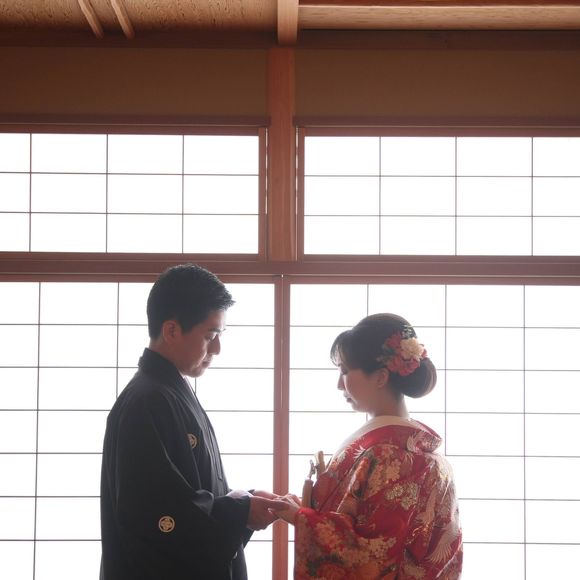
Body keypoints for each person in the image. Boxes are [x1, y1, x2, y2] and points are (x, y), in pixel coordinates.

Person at [100, 263, 285, 580]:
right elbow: (159, 512)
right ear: (171, 330)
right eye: (210, 335)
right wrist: (240, 512)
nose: (217, 349)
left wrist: (244, 500)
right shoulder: (146, 400)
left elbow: (193, 491)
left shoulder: (168, 391)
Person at [275, 313, 463, 579]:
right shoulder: (411, 449)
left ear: (380, 377)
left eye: (344, 371)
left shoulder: (388, 455)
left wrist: (303, 519)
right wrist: (306, 510)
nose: (339, 384)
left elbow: (374, 554)